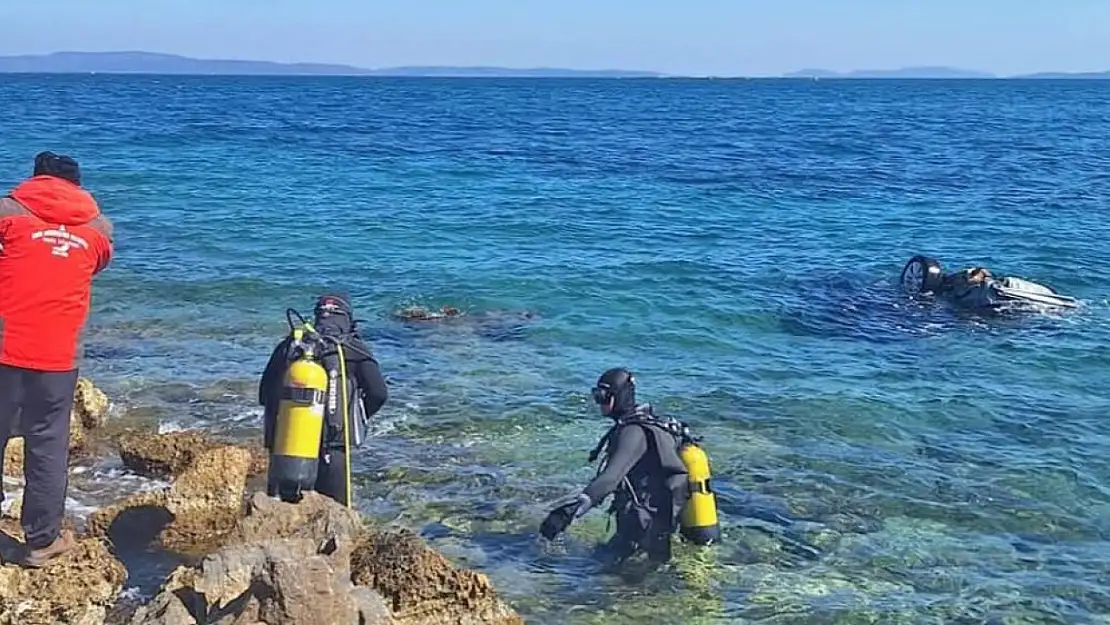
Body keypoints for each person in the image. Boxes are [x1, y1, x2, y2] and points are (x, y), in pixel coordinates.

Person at [0, 152, 113, 567]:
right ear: (78, 185)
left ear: (36, 178)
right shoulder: (98, 229)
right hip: (58, 356)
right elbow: (94, 265)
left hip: (4, 345)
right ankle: (42, 540)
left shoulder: (7, 211)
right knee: (47, 447)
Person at [540, 368, 690, 565]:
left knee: (606, 579)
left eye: (602, 396)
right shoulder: (639, 423)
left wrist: (570, 512)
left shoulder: (634, 432)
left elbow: (611, 478)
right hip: (648, 526)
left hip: (644, 532)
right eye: (596, 395)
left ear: (619, 396)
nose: (599, 403)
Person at [258, 292, 388, 506]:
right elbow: (379, 394)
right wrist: (354, 417)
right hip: (334, 445)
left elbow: (264, 393)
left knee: (284, 513)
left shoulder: (291, 345)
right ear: (347, 317)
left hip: (288, 446)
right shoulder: (353, 348)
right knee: (334, 516)